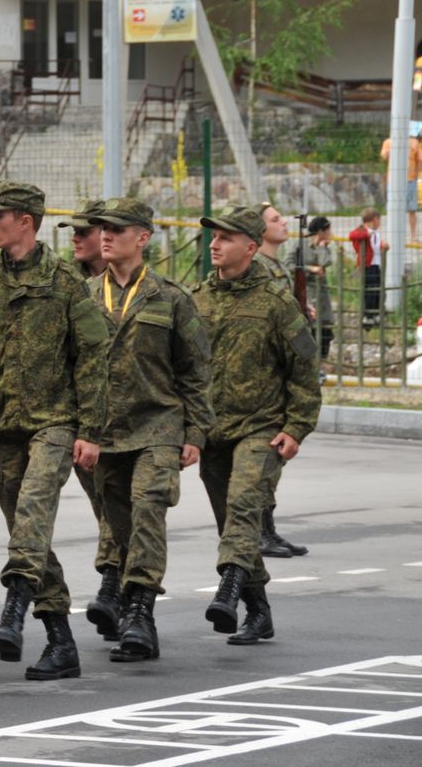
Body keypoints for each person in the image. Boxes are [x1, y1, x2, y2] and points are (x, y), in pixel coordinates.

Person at [0, 181, 108, 681]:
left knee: (34, 508)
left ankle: (15, 607)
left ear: (26, 221)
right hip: (2, 426)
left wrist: (92, 428)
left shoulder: (63, 282)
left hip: (55, 422)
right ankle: (60, 641)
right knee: (26, 529)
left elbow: (94, 355)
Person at [87, 198, 213, 663]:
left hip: (158, 426)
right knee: (117, 523)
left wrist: (195, 431)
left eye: (117, 230)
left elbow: (195, 370)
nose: (106, 236)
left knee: (147, 512)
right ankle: (123, 597)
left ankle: (142, 614)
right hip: (105, 432)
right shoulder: (84, 295)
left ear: (142, 237)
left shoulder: (171, 297)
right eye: (102, 229)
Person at [194, 206, 321, 646]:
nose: (214, 244)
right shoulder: (197, 300)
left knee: (245, 507)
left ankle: (228, 590)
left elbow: (305, 368)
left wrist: (297, 426)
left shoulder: (276, 302)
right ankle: (260, 611)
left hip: (261, 428)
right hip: (212, 433)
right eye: (213, 237)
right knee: (233, 523)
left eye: (225, 238)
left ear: (250, 247)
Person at [57, 199, 120, 638]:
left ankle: (119, 590)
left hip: (129, 422)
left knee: (121, 510)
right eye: (73, 232)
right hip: (80, 420)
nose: (76, 238)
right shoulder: (67, 288)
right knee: (106, 508)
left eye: (85, 231)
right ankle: (118, 589)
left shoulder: (140, 288)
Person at [251, 202, 310, 560]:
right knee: (265, 459)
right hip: (265, 375)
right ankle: (258, 531)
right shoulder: (258, 266)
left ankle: (267, 528)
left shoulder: (277, 267)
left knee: (275, 460)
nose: (283, 223)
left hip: (282, 372)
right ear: (259, 231)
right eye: (274, 220)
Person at [292, 217, 335, 359]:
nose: (330, 232)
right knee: (308, 334)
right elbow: (288, 266)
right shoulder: (299, 246)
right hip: (306, 294)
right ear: (321, 230)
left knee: (325, 334)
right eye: (328, 229)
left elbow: (325, 262)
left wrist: (322, 247)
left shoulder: (324, 246)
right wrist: (310, 268)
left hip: (322, 297)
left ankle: (321, 365)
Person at [349, 208, 388, 329]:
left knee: (378, 290)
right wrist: (367, 234)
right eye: (379, 220)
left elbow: (375, 247)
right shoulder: (363, 230)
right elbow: (352, 235)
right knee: (370, 291)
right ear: (375, 219)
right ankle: (368, 316)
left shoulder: (375, 233)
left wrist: (383, 245)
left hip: (376, 265)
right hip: (367, 265)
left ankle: (376, 313)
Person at [378, 129, 420, 238]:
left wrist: (416, 175)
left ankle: (413, 236)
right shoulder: (388, 142)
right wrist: (390, 151)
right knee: (394, 209)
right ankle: (394, 236)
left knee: (412, 209)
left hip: (410, 180)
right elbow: (384, 156)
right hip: (393, 181)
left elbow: (419, 160)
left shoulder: (414, 142)